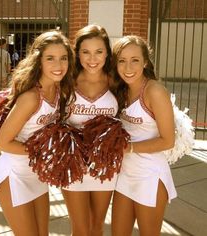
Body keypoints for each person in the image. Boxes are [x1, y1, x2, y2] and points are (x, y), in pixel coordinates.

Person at [0, 30, 75, 236]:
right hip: (14, 175)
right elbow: (2, 142)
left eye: (63, 58)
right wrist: (45, 152)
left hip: (37, 174)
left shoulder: (61, 92)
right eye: (50, 58)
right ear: (39, 61)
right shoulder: (32, 97)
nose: (58, 65)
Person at [111, 35, 177, 236]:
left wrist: (129, 148)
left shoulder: (155, 91)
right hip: (125, 174)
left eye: (135, 60)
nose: (128, 67)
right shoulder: (120, 90)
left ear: (145, 62)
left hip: (150, 175)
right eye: (122, 61)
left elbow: (168, 140)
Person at [61, 24, 118, 236]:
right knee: (80, 230)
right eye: (85, 52)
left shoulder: (116, 81)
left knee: (97, 227)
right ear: (77, 54)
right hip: (72, 163)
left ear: (107, 53)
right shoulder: (67, 81)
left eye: (98, 52)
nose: (92, 59)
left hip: (105, 164)